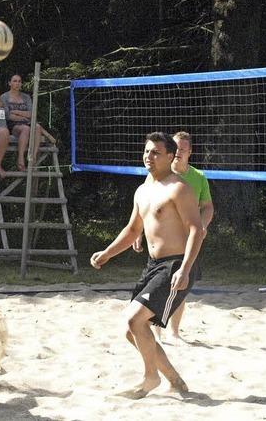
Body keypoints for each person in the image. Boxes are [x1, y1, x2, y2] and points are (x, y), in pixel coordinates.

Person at [90, 132, 204, 399]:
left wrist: (185, 269)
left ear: (169, 156)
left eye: (155, 152)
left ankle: (150, 378)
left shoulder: (179, 188)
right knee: (134, 331)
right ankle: (174, 380)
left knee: (135, 320)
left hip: (175, 264)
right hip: (154, 265)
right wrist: (107, 253)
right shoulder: (143, 190)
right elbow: (132, 230)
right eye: (146, 151)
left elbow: (197, 230)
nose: (148, 157)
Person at [134, 131, 213, 343]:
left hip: (185, 243)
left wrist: (202, 226)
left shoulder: (196, 179)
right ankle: (156, 336)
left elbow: (207, 207)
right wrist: (138, 232)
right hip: (160, 249)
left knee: (179, 286)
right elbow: (146, 209)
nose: (178, 152)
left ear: (189, 152)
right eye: (175, 148)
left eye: (182, 149)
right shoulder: (154, 176)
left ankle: (173, 332)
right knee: (139, 314)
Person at [0, 74, 46, 171]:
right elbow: (8, 115)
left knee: (37, 126)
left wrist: (16, 112)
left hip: (27, 122)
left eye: (19, 81)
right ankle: (20, 159)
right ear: (10, 83)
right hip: (12, 125)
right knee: (26, 129)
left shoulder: (26, 97)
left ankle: (32, 158)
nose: (17, 83)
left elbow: (31, 114)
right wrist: (23, 116)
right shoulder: (4, 97)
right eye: (15, 81)